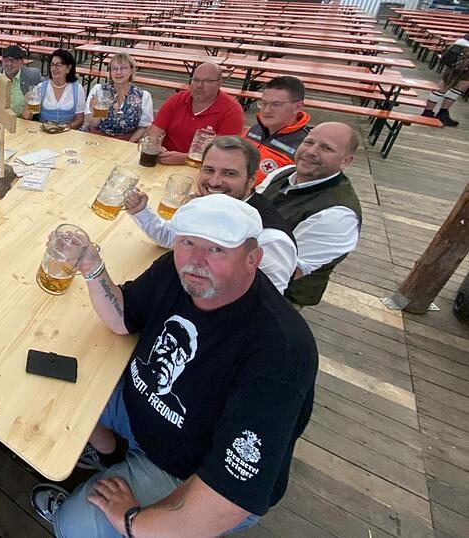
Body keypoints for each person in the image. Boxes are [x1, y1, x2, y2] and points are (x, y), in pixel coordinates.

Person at [30, 194, 318, 538]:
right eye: (188, 242)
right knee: (47, 383)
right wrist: (91, 265)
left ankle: (100, 494)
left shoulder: (281, 350)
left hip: (185, 469)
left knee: (73, 529)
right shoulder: (175, 269)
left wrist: (131, 520)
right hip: (137, 407)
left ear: (253, 258)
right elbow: (123, 320)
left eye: (217, 250)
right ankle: (109, 457)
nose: (196, 261)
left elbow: (228, 499)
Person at [124, 136, 297, 294]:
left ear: (251, 180)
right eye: (208, 170)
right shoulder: (206, 206)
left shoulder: (270, 238)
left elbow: (267, 302)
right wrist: (141, 211)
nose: (214, 181)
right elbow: (171, 237)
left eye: (229, 173)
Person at [256, 122, 362, 307]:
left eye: (326, 148)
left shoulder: (339, 215)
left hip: (276, 298)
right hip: (246, 261)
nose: (311, 151)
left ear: (346, 161)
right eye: (309, 142)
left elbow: (285, 271)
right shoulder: (285, 173)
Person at [145, 62, 245, 165]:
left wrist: (186, 158)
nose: (199, 86)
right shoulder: (178, 99)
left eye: (207, 81)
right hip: (164, 159)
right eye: (196, 80)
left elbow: (224, 152)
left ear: (219, 83)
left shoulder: (232, 110)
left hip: (204, 167)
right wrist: (156, 146)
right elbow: (154, 131)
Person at [243, 76, 311, 186]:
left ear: (297, 107)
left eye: (275, 104)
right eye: (264, 103)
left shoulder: (307, 145)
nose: (266, 110)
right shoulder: (253, 130)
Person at [84, 53, 153, 142]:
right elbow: (94, 124)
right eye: (115, 68)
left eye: (123, 68)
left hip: (128, 142)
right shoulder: (100, 91)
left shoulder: (143, 96)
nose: (118, 72)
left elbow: (143, 127)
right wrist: (95, 111)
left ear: (131, 70)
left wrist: (128, 144)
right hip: (97, 139)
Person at [22, 49, 86, 129]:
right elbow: (27, 118)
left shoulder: (77, 89)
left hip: (68, 133)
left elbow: (80, 120)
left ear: (68, 68)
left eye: (58, 65)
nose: (54, 68)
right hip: (45, 133)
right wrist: (27, 102)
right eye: (52, 65)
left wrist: (67, 127)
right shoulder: (40, 87)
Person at [421, 32, 469, 127]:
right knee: (446, 83)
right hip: (465, 51)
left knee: (462, 84)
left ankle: (442, 113)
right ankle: (428, 112)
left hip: (462, 48)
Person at [0, 45, 42, 117]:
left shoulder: (34, 75)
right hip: (1, 120)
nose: (9, 64)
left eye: (14, 61)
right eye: (6, 60)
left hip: (25, 121)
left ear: (22, 62)